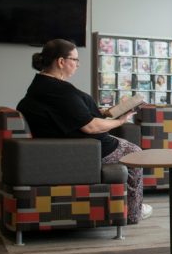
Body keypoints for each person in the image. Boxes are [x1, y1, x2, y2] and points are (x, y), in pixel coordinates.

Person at [17, 39, 152, 222]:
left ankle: (130, 203)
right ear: (61, 61)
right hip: (84, 149)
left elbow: (73, 113)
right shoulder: (58, 91)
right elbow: (90, 126)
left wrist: (106, 112)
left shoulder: (42, 85)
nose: (78, 65)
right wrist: (119, 121)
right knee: (135, 153)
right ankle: (134, 212)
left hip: (78, 143)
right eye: (75, 60)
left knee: (127, 147)